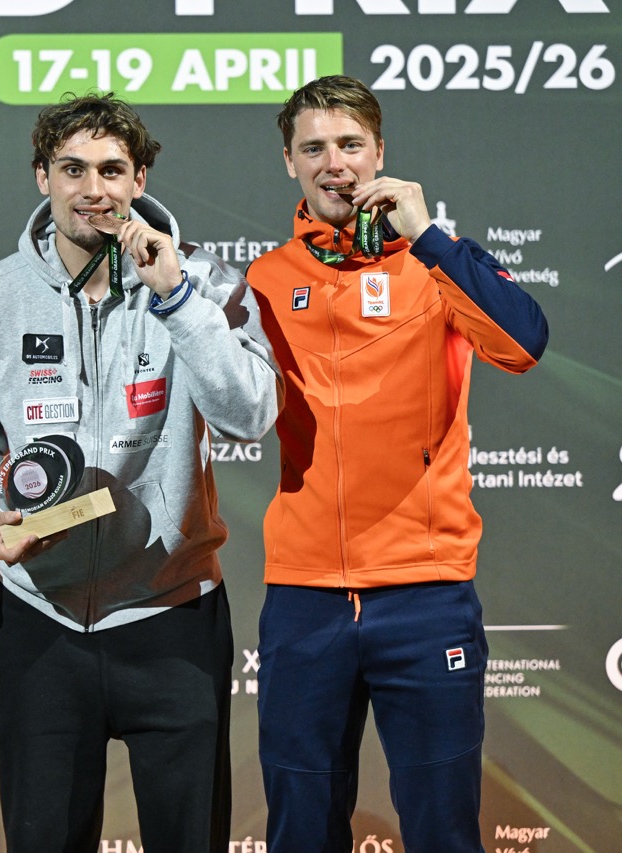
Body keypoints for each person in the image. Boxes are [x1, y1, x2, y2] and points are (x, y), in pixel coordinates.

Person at [0, 93, 281, 852]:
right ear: (42, 178)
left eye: (113, 170)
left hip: (173, 613)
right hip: (40, 623)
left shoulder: (204, 282)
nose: (94, 189)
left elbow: (250, 414)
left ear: (140, 178)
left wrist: (175, 297)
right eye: (73, 169)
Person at [246, 75, 549, 852]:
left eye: (350, 144)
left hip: (425, 593)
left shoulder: (436, 265)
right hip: (305, 598)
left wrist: (431, 238)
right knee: (300, 833)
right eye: (314, 147)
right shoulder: (264, 280)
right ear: (289, 161)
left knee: (444, 831)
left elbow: (524, 344)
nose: (335, 163)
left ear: (379, 152)